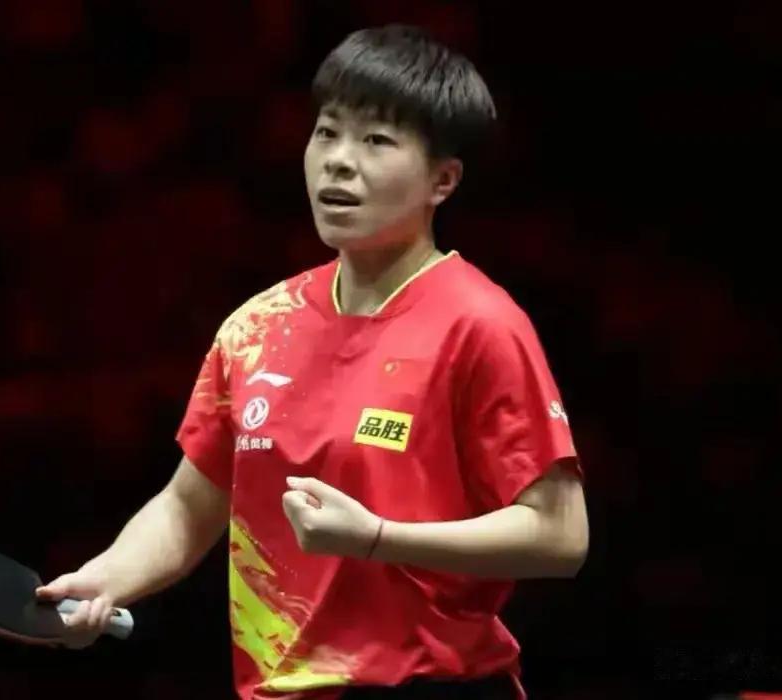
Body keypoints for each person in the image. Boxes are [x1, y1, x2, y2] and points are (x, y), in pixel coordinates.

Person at [35, 24, 589, 700]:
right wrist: (108, 578)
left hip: (432, 685)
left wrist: (379, 537)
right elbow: (188, 507)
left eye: (376, 141)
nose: (339, 162)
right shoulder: (257, 327)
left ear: (442, 180)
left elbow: (560, 534)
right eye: (327, 133)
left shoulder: (479, 324)